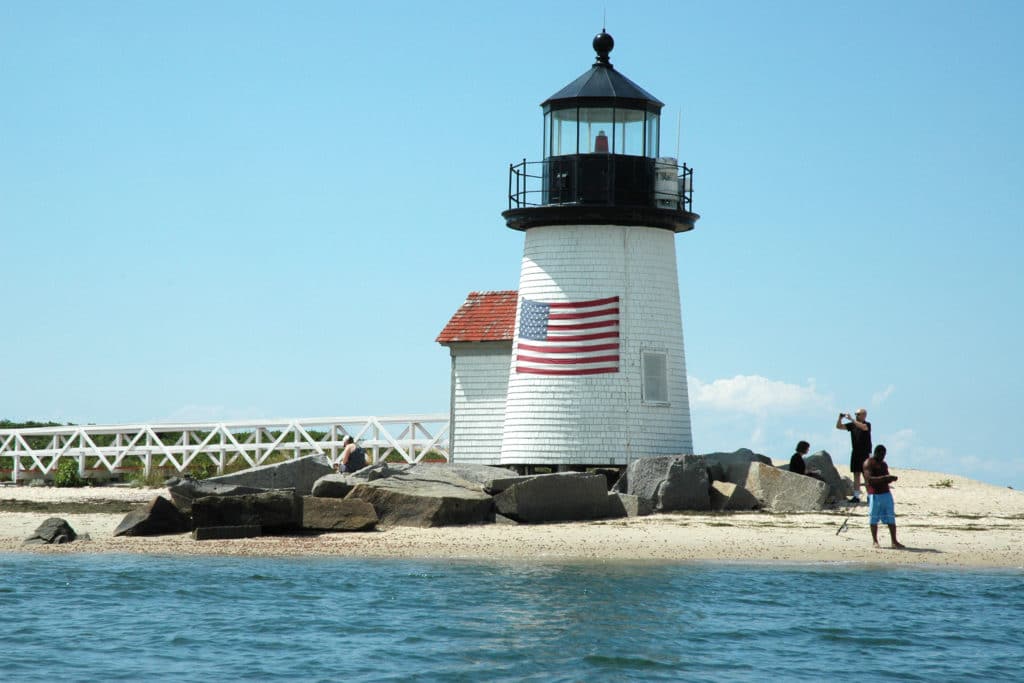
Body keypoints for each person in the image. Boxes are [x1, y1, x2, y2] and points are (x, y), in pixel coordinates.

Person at [862, 444, 904, 549]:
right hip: (875, 495)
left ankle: (894, 541)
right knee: (873, 518)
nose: (883, 457)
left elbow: (886, 477)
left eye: (884, 455)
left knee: (891, 518)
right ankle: (875, 541)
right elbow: (869, 479)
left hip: (886, 494)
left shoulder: (884, 464)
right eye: (881, 454)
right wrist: (884, 478)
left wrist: (891, 478)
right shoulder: (868, 463)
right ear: (876, 453)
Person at [836, 408, 871, 502]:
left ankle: (870, 496)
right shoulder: (853, 425)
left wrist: (851, 419)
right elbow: (839, 426)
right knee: (856, 474)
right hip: (855, 452)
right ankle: (856, 496)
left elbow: (863, 427)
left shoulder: (867, 424)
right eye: (856, 414)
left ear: (864, 415)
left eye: (858, 414)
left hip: (864, 453)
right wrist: (840, 418)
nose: (856, 415)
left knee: (866, 475)